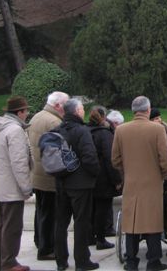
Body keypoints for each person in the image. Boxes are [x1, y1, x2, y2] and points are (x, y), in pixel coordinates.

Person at [112, 96, 167, 271]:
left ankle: (131, 261)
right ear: (148, 110)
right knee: (152, 221)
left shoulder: (121, 130)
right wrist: (161, 174)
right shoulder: (157, 129)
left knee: (131, 223)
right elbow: (165, 160)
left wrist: (127, 172)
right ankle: (153, 261)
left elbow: (115, 159)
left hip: (131, 181)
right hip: (153, 181)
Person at [53, 98, 100, 271]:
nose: (83, 112)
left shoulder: (57, 130)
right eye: (81, 109)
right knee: (81, 222)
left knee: (61, 223)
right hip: (80, 184)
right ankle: (82, 261)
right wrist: (95, 173)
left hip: (60, 182)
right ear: (77, 112)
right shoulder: (81, 131)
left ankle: (61, 260)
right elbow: (89, 157)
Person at [0, 96, 33, 271]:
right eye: (26, 111)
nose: (27, 114)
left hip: (1, 185)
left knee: (2, 225)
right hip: (12, 187)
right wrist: (26, 187)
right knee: (12, 226)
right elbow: (19, 162)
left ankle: (3, 261)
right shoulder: (15, 130)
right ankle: (9, 262)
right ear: (20, 112)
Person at [27, 91, 68, 261]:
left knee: (42, 212)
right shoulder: (53, 121)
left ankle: (40, 242)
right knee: (51, 215)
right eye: (65, 105)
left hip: (37, 174)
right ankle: (46, 248)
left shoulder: (37, 116)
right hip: (49, 176)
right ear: (58, 105)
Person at [88, 106, 121, 250]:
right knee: (102, 210)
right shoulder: (105, 134)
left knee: (91, 209)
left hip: (89, 177)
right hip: (103, 179)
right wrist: (117, 180)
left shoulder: (86, 132)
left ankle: (90, 237)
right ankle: (101, 238)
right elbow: (110, 159)